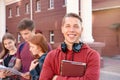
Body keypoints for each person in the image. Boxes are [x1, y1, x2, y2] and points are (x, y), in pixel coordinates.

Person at [39, 13, 100, 80]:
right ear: (62, 29)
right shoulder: (51, 56)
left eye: (76, 26)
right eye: (68, 26)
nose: (71, 30)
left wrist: (57, 78)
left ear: (81, 30)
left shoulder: (92, 55)